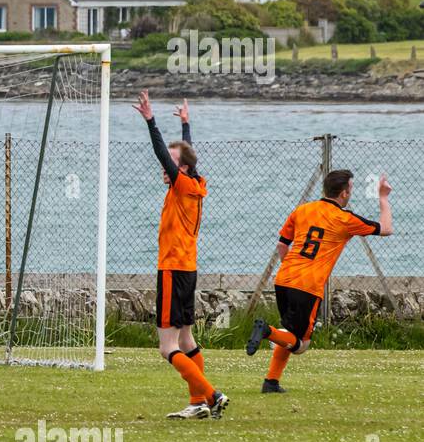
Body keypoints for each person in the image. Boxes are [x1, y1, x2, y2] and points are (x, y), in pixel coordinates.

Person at [246, 170, 393, 392]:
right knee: (301, 345)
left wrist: (291, 268)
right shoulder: (345, 218)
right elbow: (386, 229)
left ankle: (271, 382)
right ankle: (266, 331)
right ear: (344, 193)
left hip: (284, 279)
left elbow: (281, 245)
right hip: (307, 286)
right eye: (350, 189)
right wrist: (383, 198)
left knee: (290, 332)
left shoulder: (302, 210)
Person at [132, 91, 228, 420]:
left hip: (173, 268)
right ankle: (198, 403)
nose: (165, 166)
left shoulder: (183, 184)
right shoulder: (193, 181)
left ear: (181, 168)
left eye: (172, 164)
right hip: (188, 268)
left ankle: (211, 395)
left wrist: (150, 121)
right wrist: (186, 126)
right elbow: (186, 155)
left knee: (167, 347)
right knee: (186, 337)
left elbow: (164, 154)